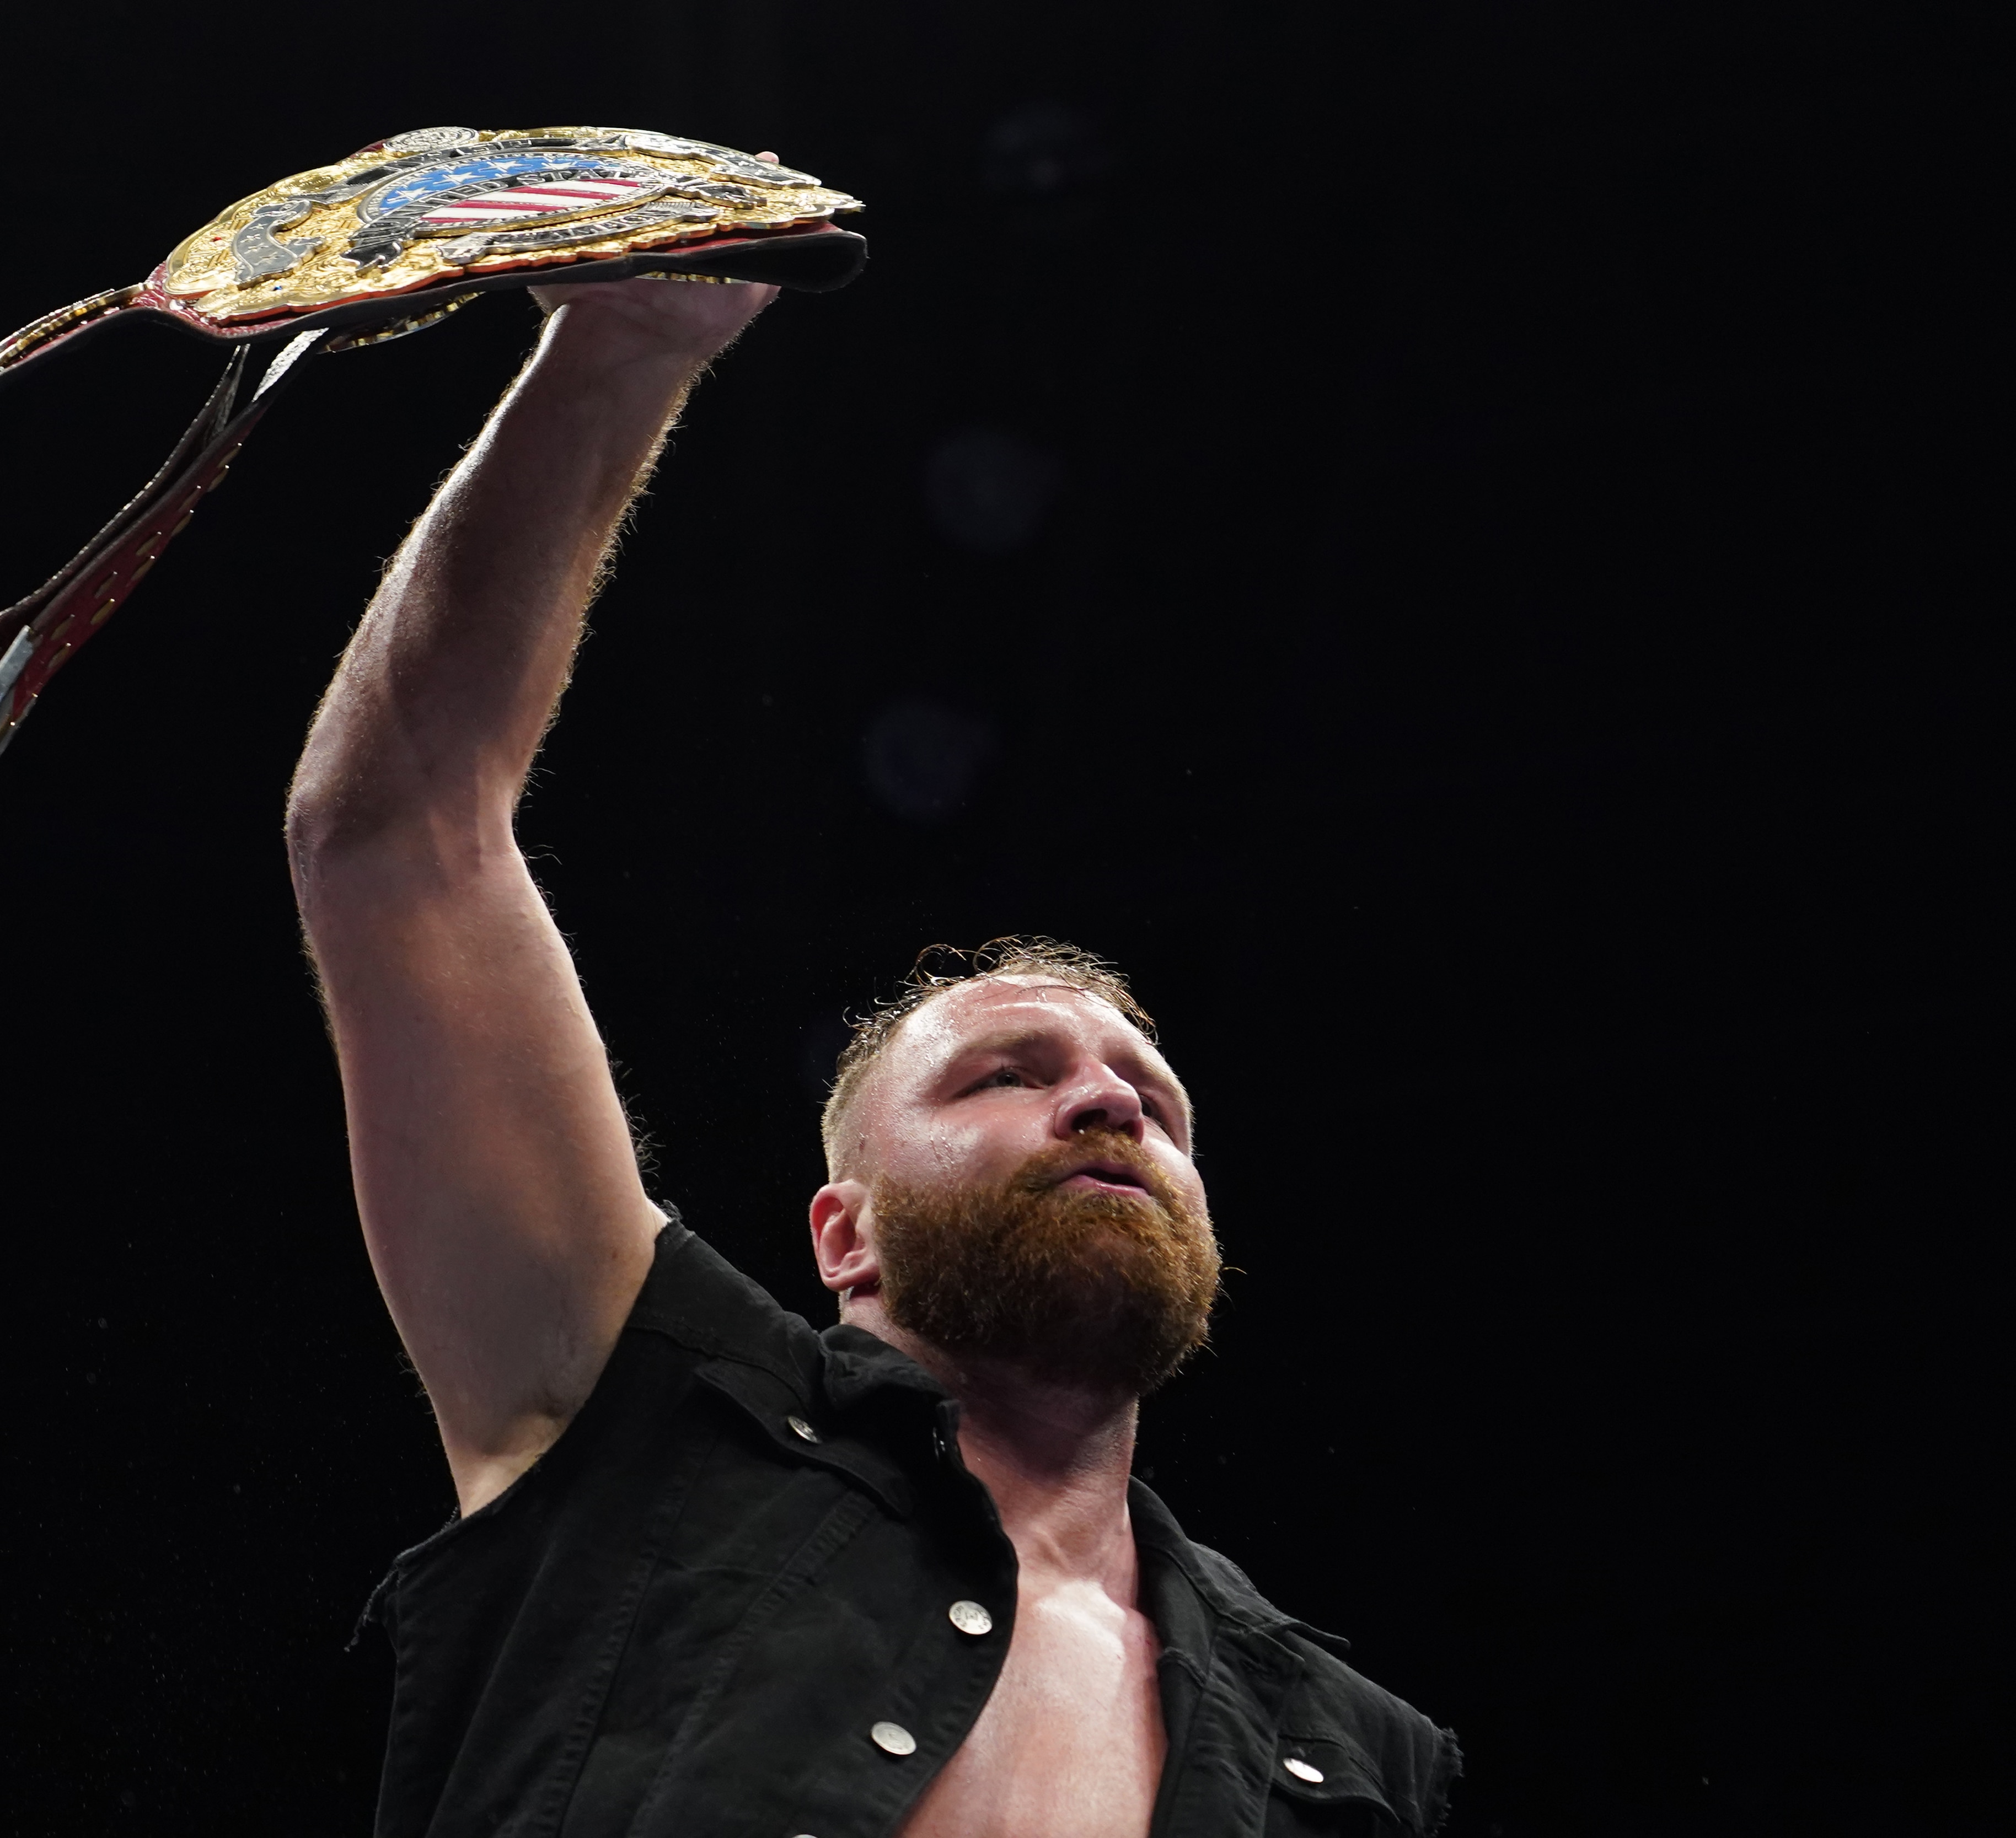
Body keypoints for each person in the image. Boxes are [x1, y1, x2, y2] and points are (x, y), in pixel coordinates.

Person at [283, 163, 1461, 1838]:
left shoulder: (1353, 1753)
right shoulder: (634, 1430)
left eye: (1155, 1097)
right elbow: (394, 834)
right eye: (1004, 1075)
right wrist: (627, 347)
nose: (1114, 1100)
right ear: (844, 1238)